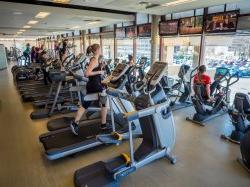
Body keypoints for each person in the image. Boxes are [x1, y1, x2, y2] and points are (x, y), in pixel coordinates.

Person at [70, 44, 108, 135]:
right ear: (97, 50)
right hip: (95, 85)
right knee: (104, 104)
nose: (101, 50)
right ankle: (103, 125)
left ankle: (75, 123)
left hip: (93, 84)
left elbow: (93, 71)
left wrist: (101, 67)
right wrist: (100, 71)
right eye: (100, 48)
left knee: (85, 104)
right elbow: (87, 73)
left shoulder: (95, 60)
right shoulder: (94, 60)